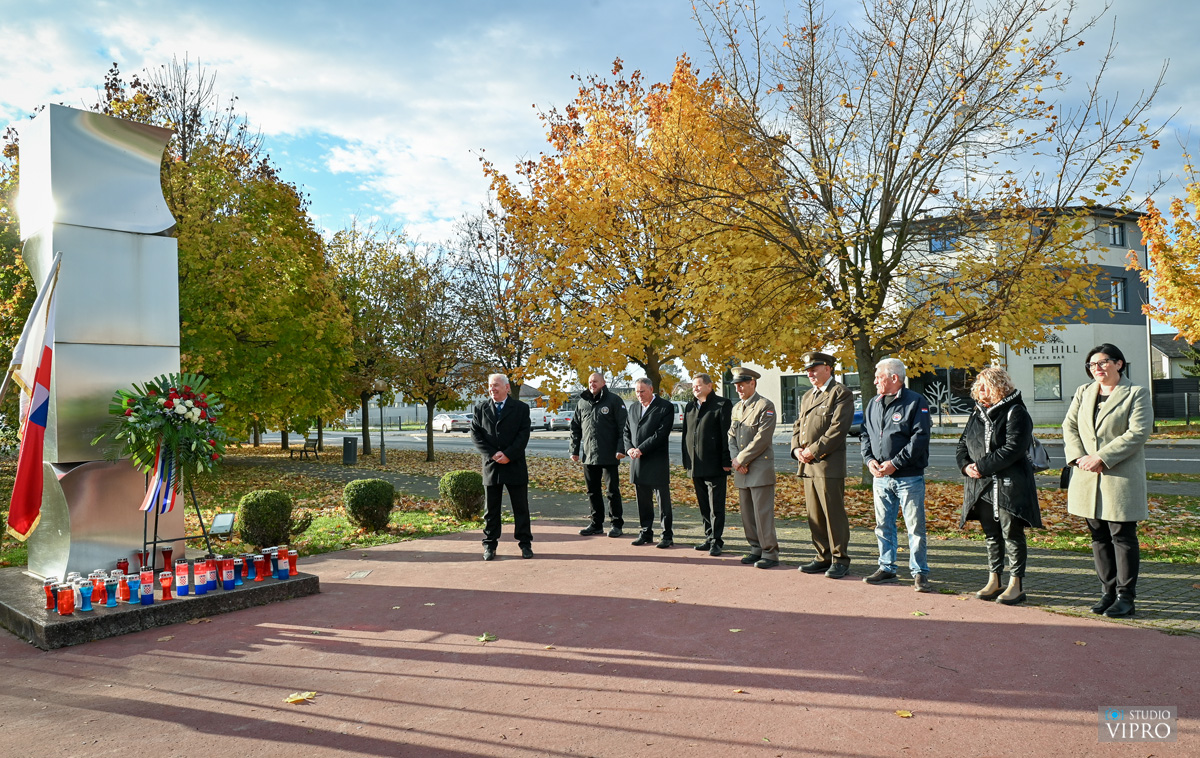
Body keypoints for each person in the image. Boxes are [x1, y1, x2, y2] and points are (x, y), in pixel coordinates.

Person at [1062, 343, 1152, 618]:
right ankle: (1107, 592)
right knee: (1098, 536)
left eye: (1102, 363)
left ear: (1119, 364)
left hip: (1119, 476)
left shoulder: (1136, 393)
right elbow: (1070, 426)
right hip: (1087, 476)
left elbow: (1137, 433)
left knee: (1122, 536)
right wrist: (1078, 457)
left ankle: (1126, 597)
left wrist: (1101, 457)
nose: (1096, 368)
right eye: (1092, 365)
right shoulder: (1083, 392)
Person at [955, 367, 1042, 605]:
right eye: (978, 385)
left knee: (1012, 534)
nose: (979, 390)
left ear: (999, 386)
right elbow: (963, 444)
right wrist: (966, 467)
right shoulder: (977, 413)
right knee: (992, 535)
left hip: (1009, 485)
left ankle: (1016, 584)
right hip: (981, 486)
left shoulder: (1016, 411)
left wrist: (981, 466)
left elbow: (1014, 448)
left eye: (985, 385)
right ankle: (994, 579)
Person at [861, 358, 933, 592]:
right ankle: (887, 567)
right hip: (881, 477)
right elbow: (865, 435)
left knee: (914, 527)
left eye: (878, 376)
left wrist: (895, 463)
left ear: (894, 378)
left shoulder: (915, 402)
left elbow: (920, 438)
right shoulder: (873, 403)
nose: (874, 381)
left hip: (908, 477)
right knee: (883, 525)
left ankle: (919, 572)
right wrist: (870, 460)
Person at [790, 352, 856, 578]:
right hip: (807, 464)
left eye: (814, 368)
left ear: (828, 368)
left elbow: (838, 429)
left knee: (833, 514)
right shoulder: (808, 395)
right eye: (807, 369)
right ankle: (822, 556)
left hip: (828, 464)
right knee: (815, 515)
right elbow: (798, 425)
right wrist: (796, 448)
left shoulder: (840, 393)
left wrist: (813, 450)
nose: (809, 373)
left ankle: (840, 559)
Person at [470, 373, 533, 561]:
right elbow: (476, 434)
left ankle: (525, 544)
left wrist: (508, 455)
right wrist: (492, 454)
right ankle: (489, 545)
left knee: (520, 507)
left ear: (507, 387)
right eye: (490, 385)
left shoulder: (521, 408)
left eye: (496, 385)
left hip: (514, 464)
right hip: (492, 465)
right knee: (491, 509)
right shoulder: (481, 408)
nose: (492, 389)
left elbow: (523, 435)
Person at [727, 367, 779, 568]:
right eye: (736, 385)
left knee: (762, 513)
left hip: (758, 468)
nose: (738, 388)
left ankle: (770, 553)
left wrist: (742, 459)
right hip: (741, 468)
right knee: (747, 514)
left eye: (742, 384)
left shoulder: (765, 405)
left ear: (752, 383)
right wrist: (735, 459)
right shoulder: (737, 408)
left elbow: (762, 438)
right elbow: (731, 435)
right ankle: (755, 548)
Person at [571, 373, 628, 538]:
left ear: (603, 382)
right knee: (592, 491)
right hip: (589, 455)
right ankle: (596, 524)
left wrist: (621, 449)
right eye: (589, 382)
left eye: (595, 381)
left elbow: (623, 427)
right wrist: (574, 450)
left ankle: (617, 524)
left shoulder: (614, 401)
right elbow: (575, 427)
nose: (592, 384)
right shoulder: (582, 402)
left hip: (610, 455)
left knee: (612, 491)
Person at [681, 373, 733, 556]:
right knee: (703, 505)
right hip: (696, 465)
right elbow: (686, 436)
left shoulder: (722, 404)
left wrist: (727, 461)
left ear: (709, 386)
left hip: (715, 465)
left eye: (698, 386)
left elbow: (726, 435)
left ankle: (717, 541)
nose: (695, 389)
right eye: (693, 386)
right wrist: (686, 460)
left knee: (716, 506)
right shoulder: (689, 406)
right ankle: (708, 536)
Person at [623, 378, 675, 548]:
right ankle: (646, 533)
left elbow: (661, 434)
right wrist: (630, 448)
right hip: (637, 461)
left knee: (663, 501)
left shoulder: (665, 407)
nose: (639, 395)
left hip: (656, 461)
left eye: (642, 391)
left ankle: (666, 535)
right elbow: (626, 431)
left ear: (651, 389)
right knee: (643, 500)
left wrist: (641, 449)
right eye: (637, 391)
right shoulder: (633, 407)